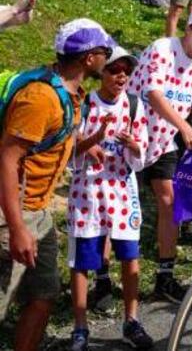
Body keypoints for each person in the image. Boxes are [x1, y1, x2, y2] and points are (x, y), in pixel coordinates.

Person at [0, 19, 114, 351]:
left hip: (40, 212)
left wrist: (89, 141)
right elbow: (7, 160)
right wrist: (18, 227)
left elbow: (52, 140)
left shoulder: (71, 94)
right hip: (11, 215)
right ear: (89, 58)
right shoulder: (40, 98)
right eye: (105, 52)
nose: (108, 59)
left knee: (44, 296)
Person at [128, 8, 192, 302]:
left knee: (169, 201)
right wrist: (183, 127)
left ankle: (165, 277)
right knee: (119, 207)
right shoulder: (163, 48)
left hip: (164, 139)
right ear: (189, 29)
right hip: (131, 131)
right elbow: (155, 95)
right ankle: (103, 280)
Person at [67, 47, 153, 351]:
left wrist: (132, 145)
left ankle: (131, 320)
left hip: (122, 191)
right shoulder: (85, 102)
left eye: (126, 71)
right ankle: (80, 328)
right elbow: (69, 148)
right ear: (101, 71)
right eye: (114, 69)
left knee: (130, 257)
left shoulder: (133, 105)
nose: (121, 76)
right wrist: (92, 141)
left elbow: (142, 153)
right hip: (87, 193)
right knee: (81, 262)